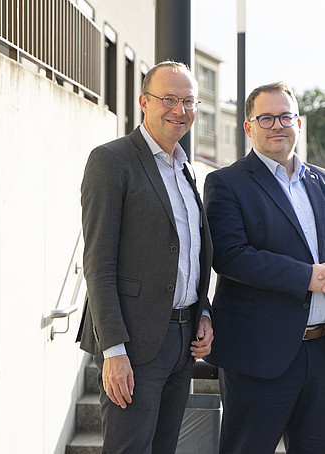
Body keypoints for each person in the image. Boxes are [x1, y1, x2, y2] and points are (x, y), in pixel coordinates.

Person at [76, 61, 214, 453]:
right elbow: (98, 265)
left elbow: (191, 254)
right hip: (134, 345)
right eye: (168, 99)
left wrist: (203, 312)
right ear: (143, 102)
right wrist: (113, 351)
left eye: (188, 101)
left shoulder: (187, 170)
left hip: (183, 343)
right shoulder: (112, 160)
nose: (179, 110)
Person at [204, 82, 325, 453]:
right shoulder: (226, 182)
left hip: (320, 355)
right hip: (258, 356)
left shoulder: (321, 181)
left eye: (285, 116)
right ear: (248, 127)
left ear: (298, 124)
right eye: (266, 117)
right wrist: (308, 277)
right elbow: (229, 254)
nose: (278, 125)